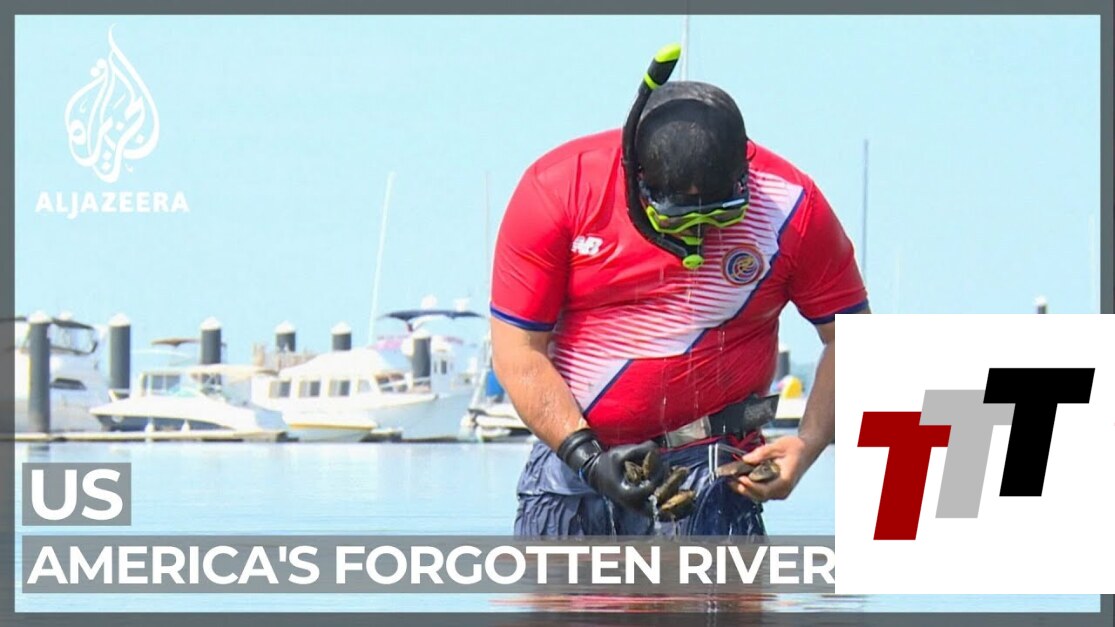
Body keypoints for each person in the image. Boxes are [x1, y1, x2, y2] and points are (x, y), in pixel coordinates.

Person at [490, 63, 869, 537]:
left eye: (717, 217)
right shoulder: (558, 189)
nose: (697, 237)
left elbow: (853, 339)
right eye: (677, 219)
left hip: (714, 470)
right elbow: (518, 352)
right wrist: (587, 458)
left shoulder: (792, 207)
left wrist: (808, 445)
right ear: (638, 177)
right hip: (575, 463)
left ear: (744, 174)